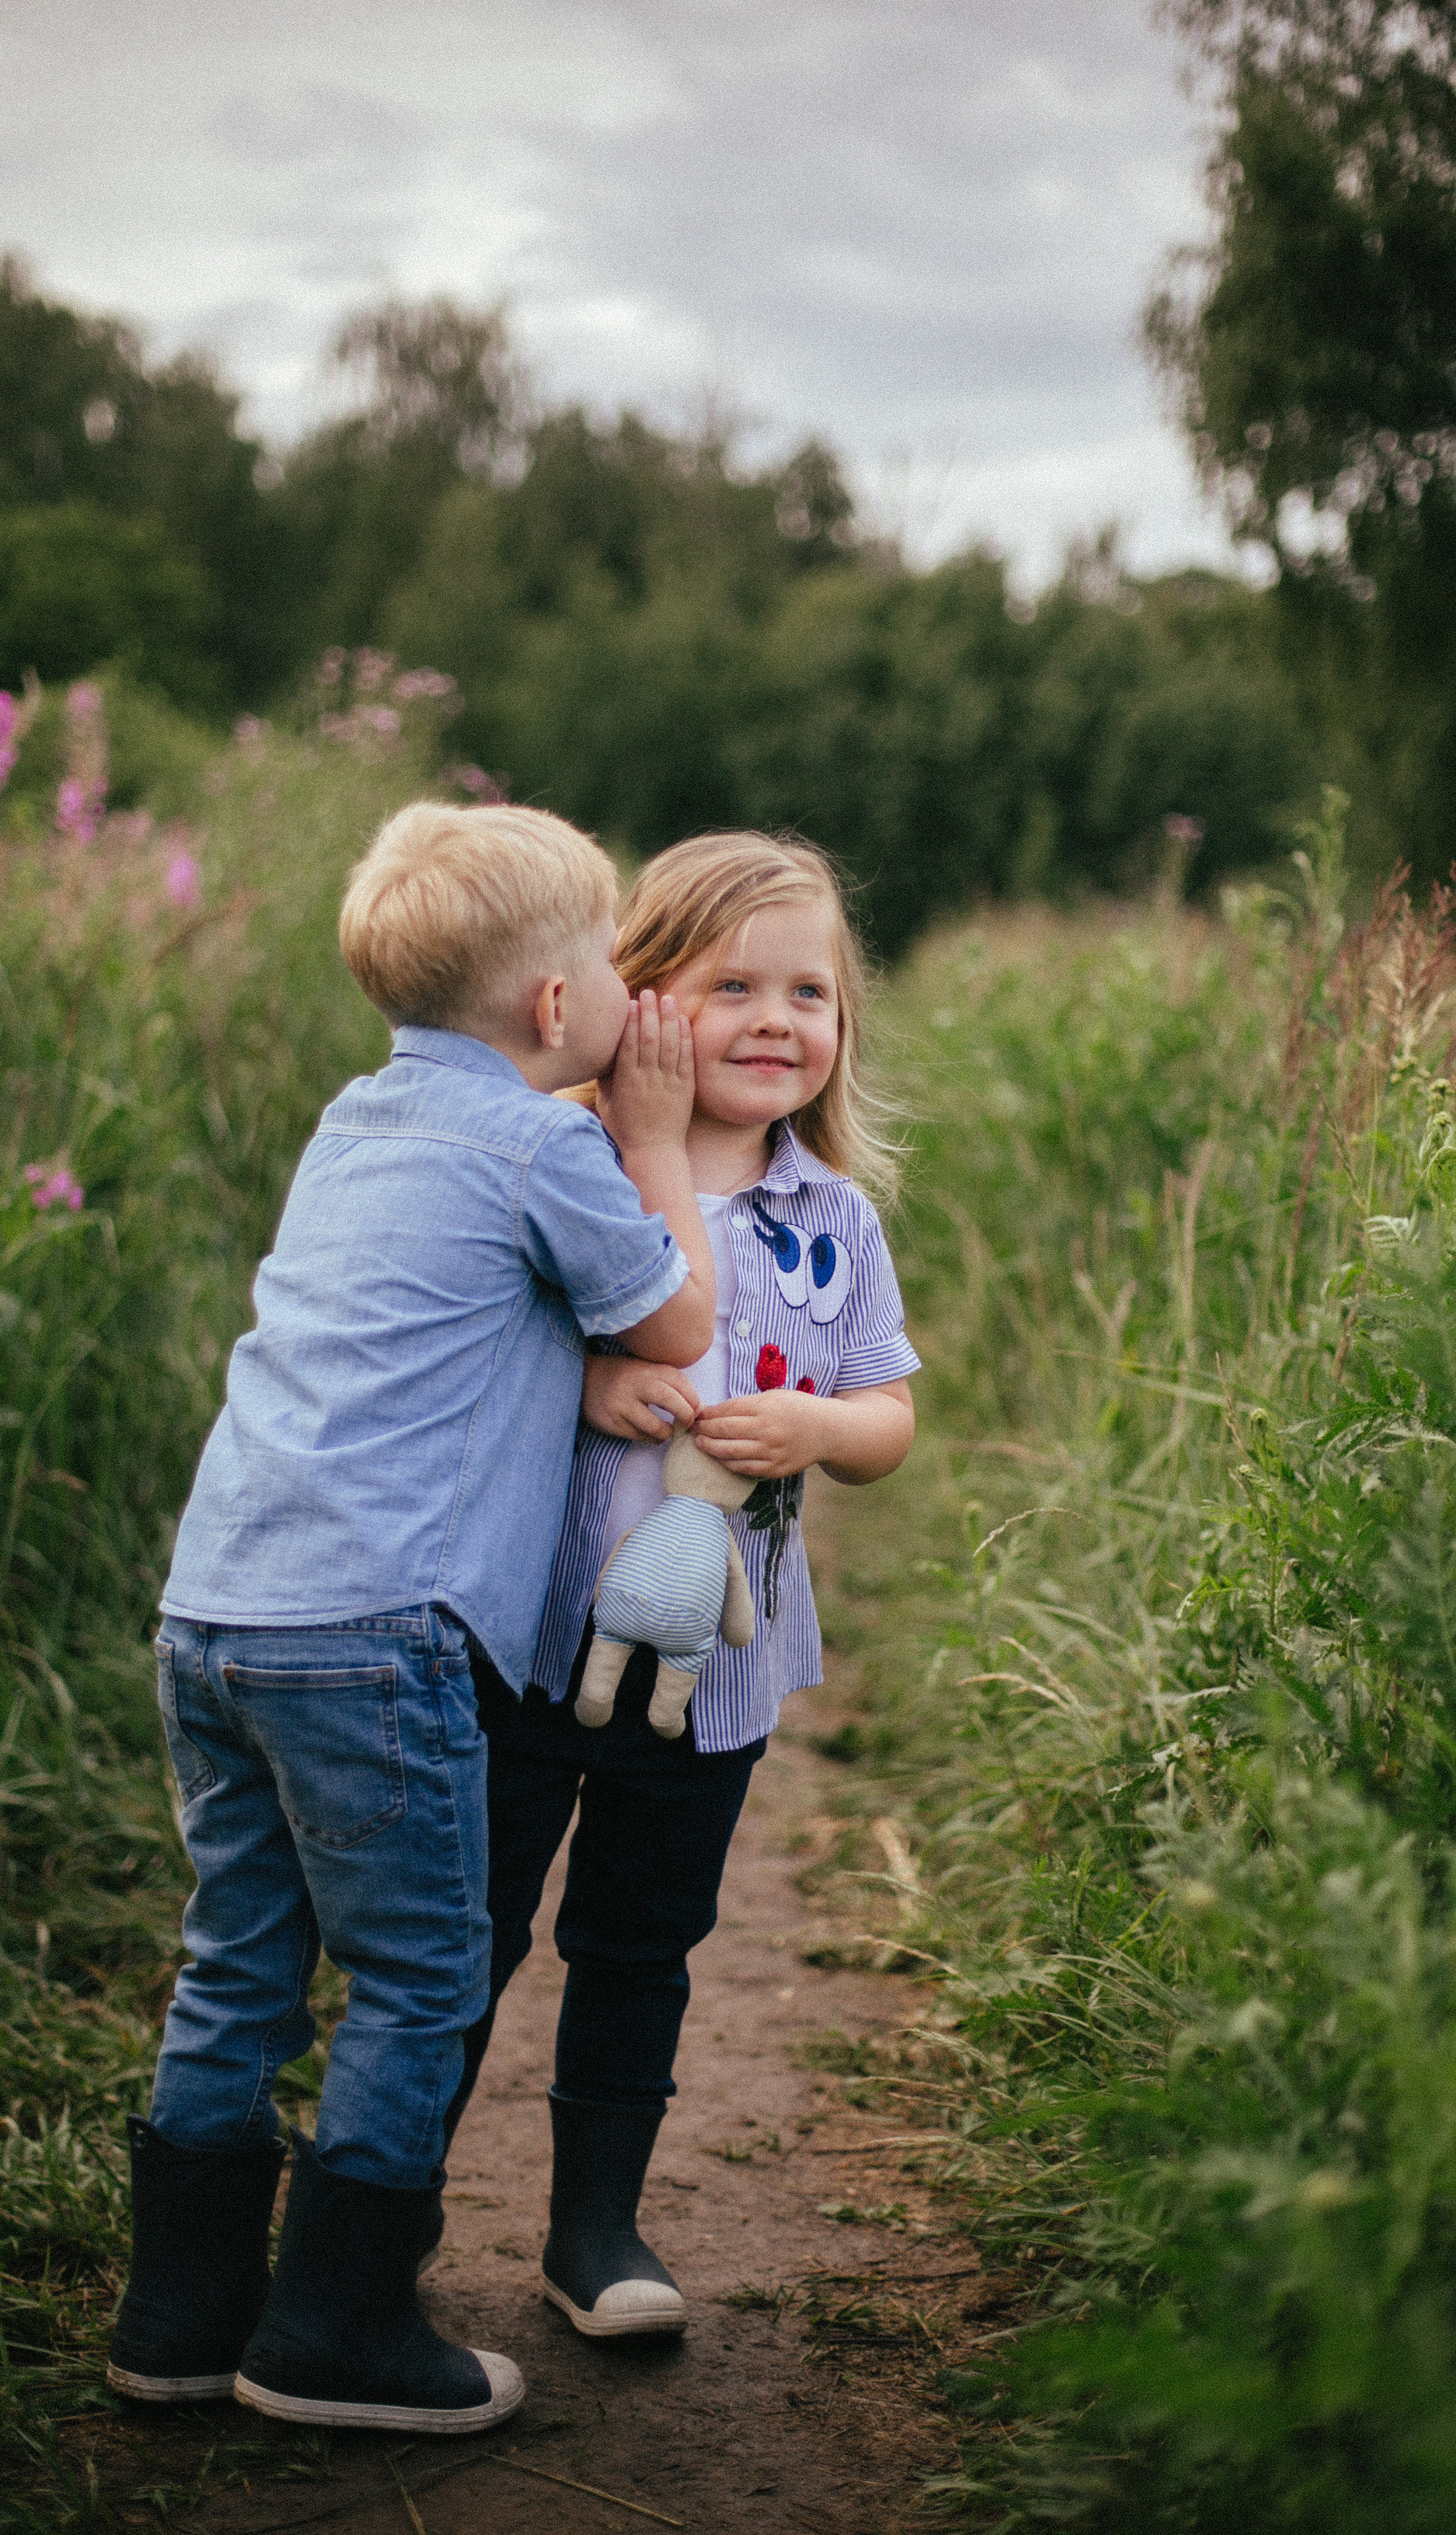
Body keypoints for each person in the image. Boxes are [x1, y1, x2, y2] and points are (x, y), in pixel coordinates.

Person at [106, 801, 715, 2433]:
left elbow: (458, 1332)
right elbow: (674, 1310)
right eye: (606, 962)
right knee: (421, 1975)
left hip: (215, 1611)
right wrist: (653, 1134)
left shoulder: (351, 1125)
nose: (622, 992)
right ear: (551, 1013)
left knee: (237, 1957)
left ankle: (177, 2315)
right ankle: (338, 2329)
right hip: (375, 1636)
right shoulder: (546, 1144)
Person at [441, 830, 919, 2339]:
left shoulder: (832, 1221)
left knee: (639, 1941)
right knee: (467, 1930)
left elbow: (889, 1420)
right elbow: (467, 1358)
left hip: (714, 1670)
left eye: (811, 992)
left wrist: (820, 1426)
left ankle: (596, 2230)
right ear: (638, 998)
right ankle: (381, 2205)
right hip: (529, 1638)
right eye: (733, 986)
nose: (779, 1020)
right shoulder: (558, 1160)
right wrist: (580, 1383)